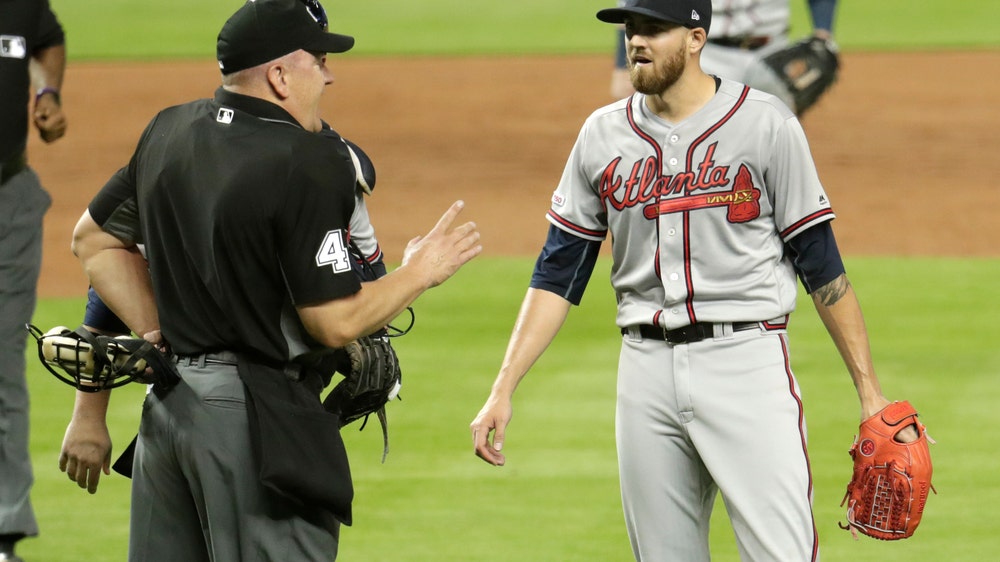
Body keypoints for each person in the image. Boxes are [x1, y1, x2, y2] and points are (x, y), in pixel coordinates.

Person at [470, 0, 914, 560]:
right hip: (644, 373)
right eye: (632, 29)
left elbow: (822, 266)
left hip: (747, 363)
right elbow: (556, 275)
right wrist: (502, 389)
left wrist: (869, 392)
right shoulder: (601, 135)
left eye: (654, 29)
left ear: (696, 37)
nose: (637, 41)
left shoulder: (766, 123)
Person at [59, 0, 481, 560]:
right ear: (280, 75)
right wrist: (421, 271)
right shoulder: (309, 160)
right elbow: (334, 322)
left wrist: (157, 332)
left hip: (167, 411)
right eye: (320, 59)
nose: (330, 73)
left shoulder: (169, 129)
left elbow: (92, 240)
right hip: (253, 419)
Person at [0, 1, 67, 560]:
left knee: (3, 365)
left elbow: (45, 39)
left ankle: (3, 532)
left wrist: (46, 93)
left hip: (9, 199)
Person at [609, 0, 839, 115]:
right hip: (703, 52)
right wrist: (623, 66)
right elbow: (632, 4)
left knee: (777, 137)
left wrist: (823, 32)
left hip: (773, 52)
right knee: (693, 136)